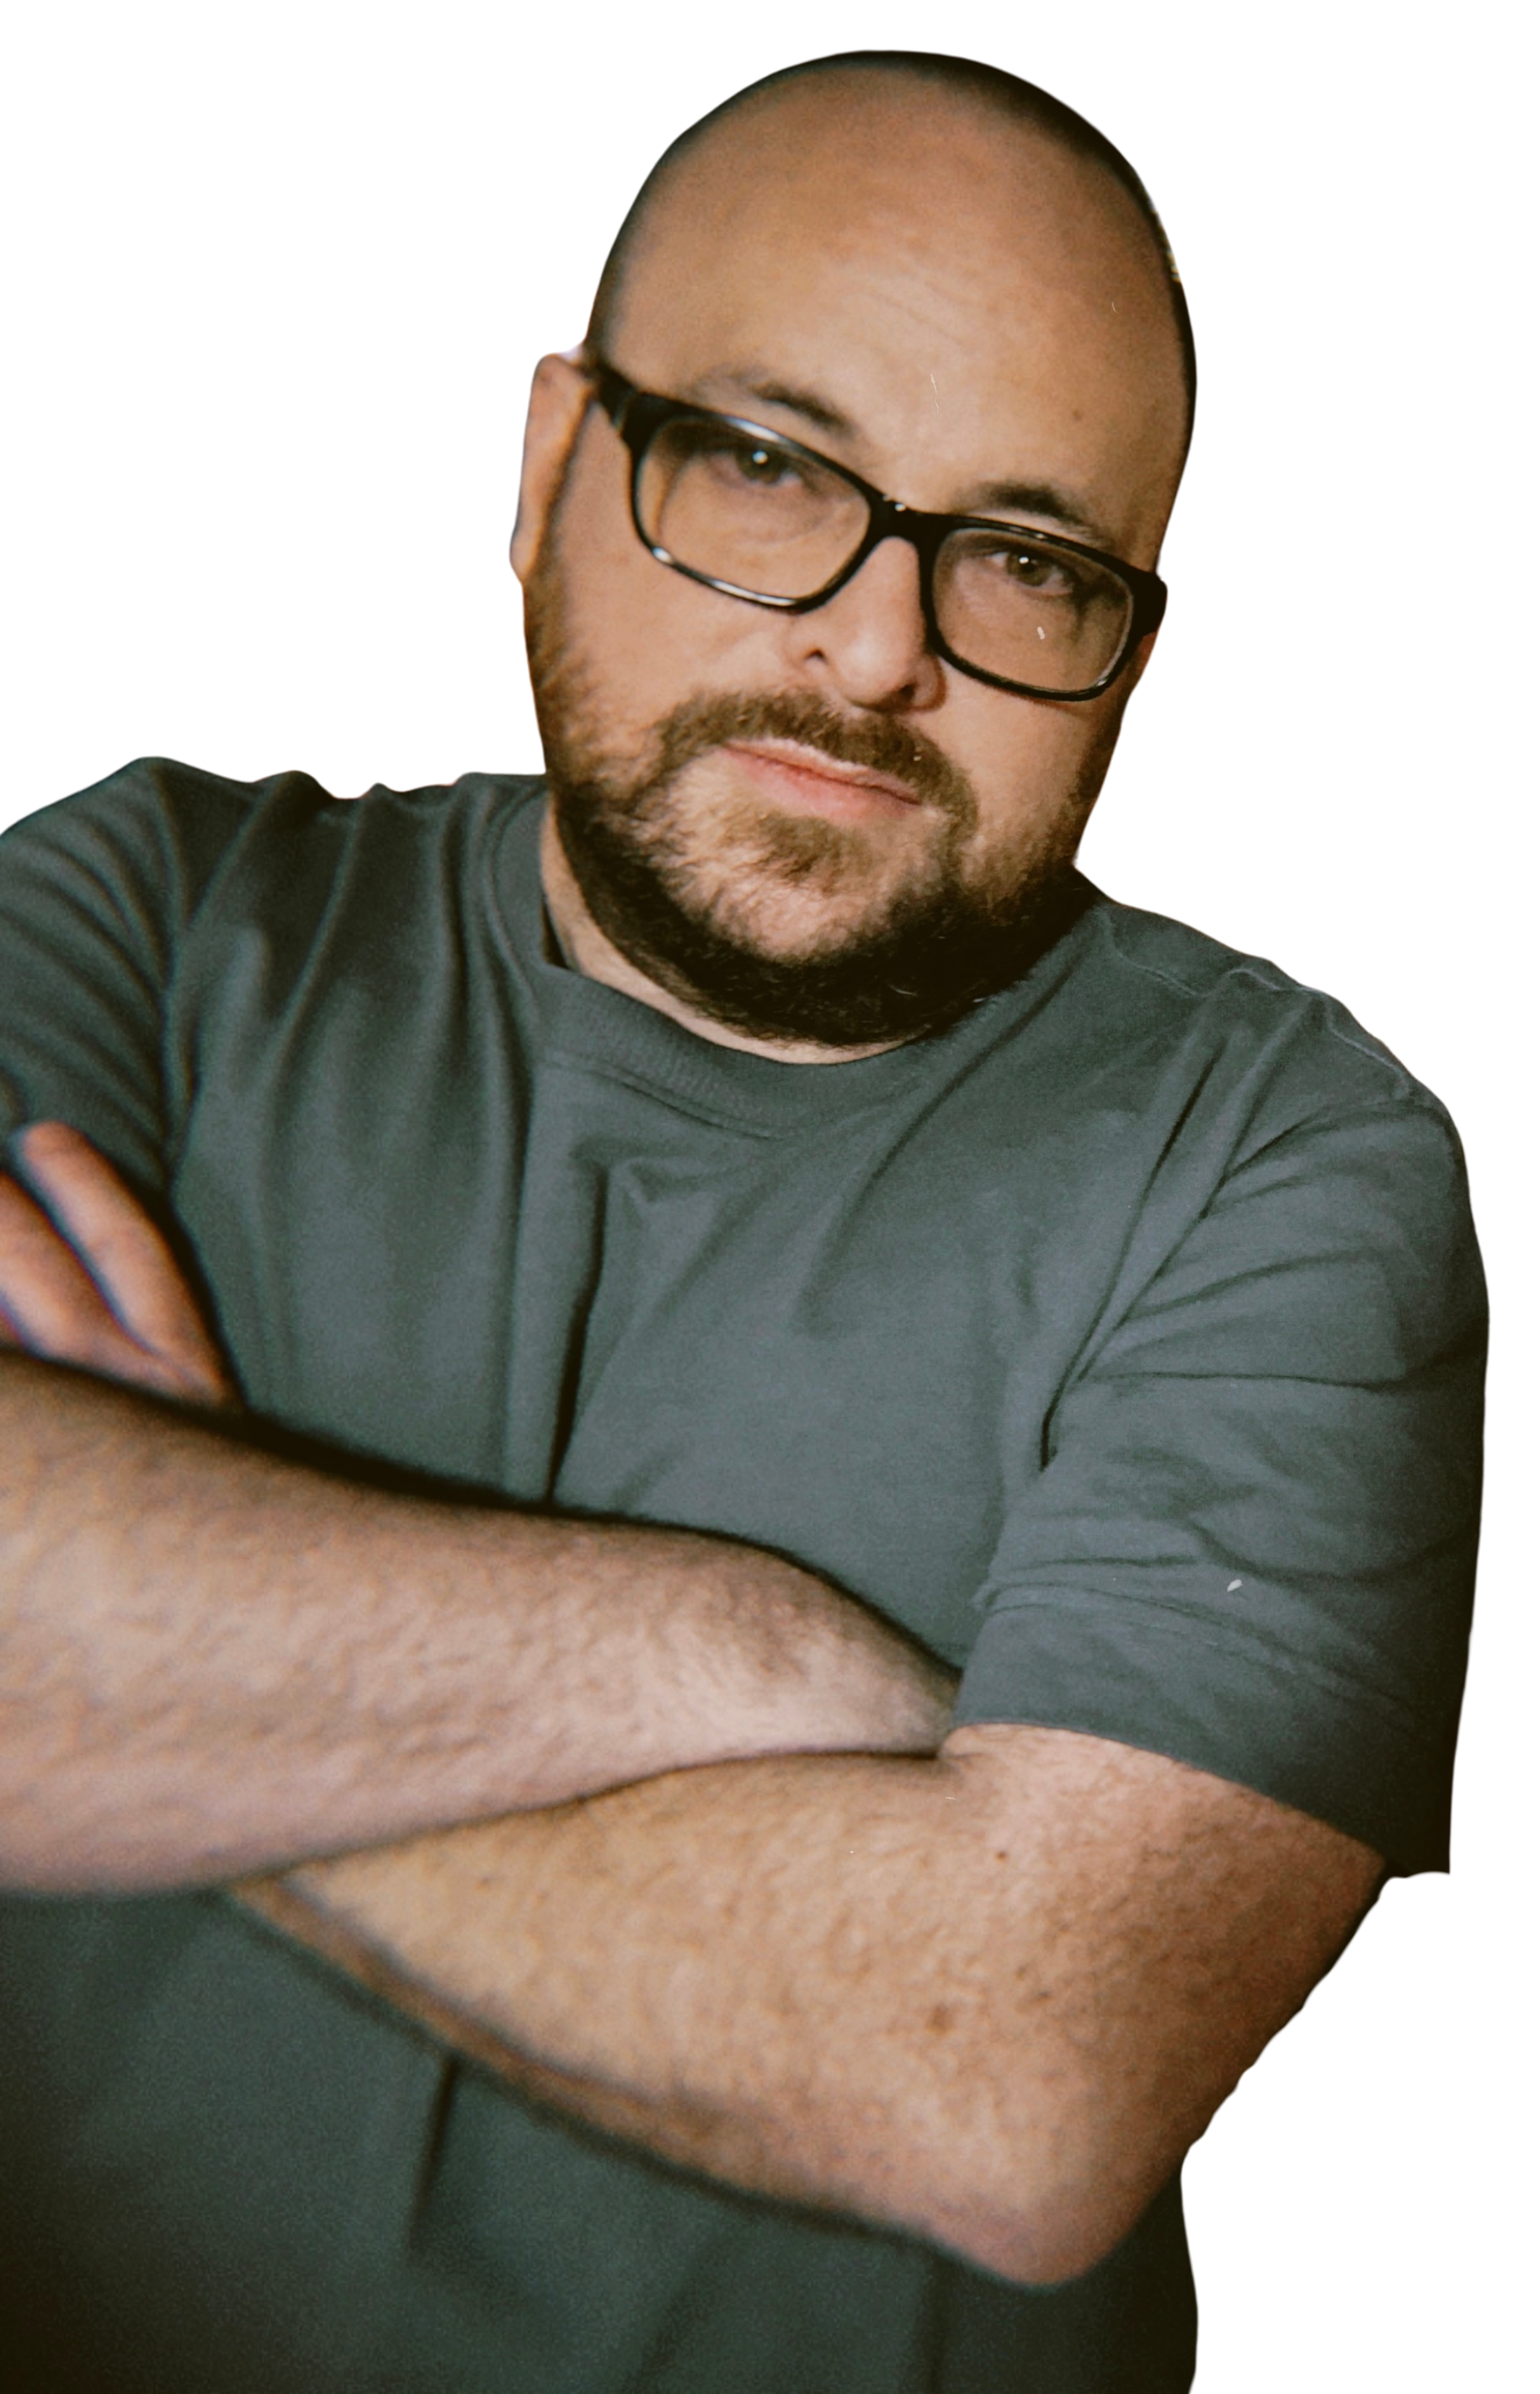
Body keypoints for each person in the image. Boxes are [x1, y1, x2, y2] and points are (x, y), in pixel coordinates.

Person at [0, 48, 1487, 2394]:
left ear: (1136, 648)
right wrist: (746, 1661)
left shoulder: (1286, 1157)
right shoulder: (144, 916)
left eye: (1022, 556)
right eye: (770, 466)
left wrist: (140, 1672)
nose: (875, 648)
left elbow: (1018, 2075)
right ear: (549, 464)